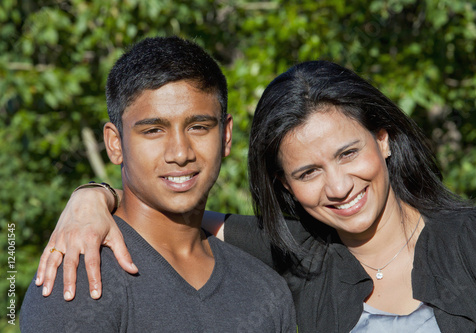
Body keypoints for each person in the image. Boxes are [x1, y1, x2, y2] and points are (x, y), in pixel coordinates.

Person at [35, 60, 476, 332]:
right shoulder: (294, 258)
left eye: (348, 153)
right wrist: (95, 198)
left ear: (383, 140)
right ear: (285, 186)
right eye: (308, 171)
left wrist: (92, 195)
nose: (338, 186)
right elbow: (174, 208)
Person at [20, 36, 296, 332]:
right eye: (153, 130)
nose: (180, 153)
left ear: (226, 136)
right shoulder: (82, 279)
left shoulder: (264, 291)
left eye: (199, 127)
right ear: (115, 144)